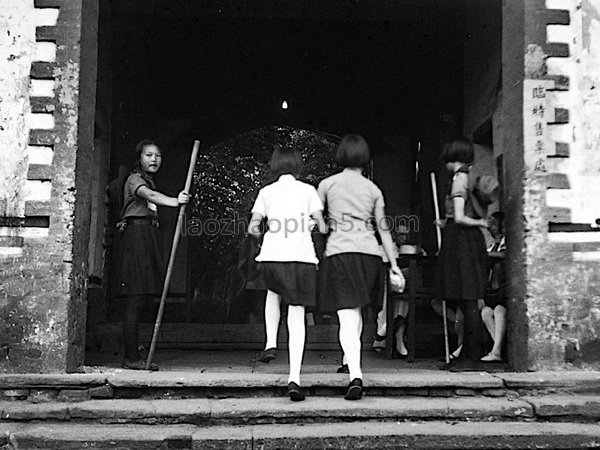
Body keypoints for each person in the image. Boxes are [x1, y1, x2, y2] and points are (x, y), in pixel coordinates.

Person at [318, 134, 402, 400]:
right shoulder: (373, 189)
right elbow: (384, 230)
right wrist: (395, 266)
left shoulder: (327, 185)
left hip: (340, 252)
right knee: (359, 314)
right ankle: (351, 362)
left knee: (346, 315)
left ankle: (355, 373)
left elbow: (317, 224)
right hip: (369, 255)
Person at [248, 145, 327, 402]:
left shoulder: (266, 192)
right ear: (297, 165)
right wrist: (313, 224)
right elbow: (322, 225)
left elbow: (253, 227)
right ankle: (294, 377)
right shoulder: (307, 190)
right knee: (297, 313)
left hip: (272, 255)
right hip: (301, 257)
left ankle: (270, 342)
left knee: (273, 291)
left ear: (274, 165)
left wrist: (264, 233)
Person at [116, 139, 190, 371]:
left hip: (146, 236)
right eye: (148, 155)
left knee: (144, 299)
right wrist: (175, 201)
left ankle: (133, 348)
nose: (154, 159)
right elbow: (151, 196)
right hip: (136, 237)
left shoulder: (148, 180)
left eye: (157, 155)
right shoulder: (135, 180)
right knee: (135, 298)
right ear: (139, 158)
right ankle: (130, 357)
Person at [435, 137, 489, 371]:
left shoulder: (459, 180)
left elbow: (459, 217)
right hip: (471, 241)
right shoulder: (471, 176)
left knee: (468, 300)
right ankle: (468, 354)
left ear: (452, 159)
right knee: (469, 300)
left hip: (462, 241)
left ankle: (471, 358)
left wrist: (479, 222)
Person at [481, 211, 506, 362]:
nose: (492, 226)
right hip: (492, 289)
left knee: (498, 310)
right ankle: (498, 350)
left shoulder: (506, 242)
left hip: (503, 289)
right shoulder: (492, 245)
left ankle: (496, 351)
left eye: (495, 223)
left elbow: (504, 255)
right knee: (485, 312)